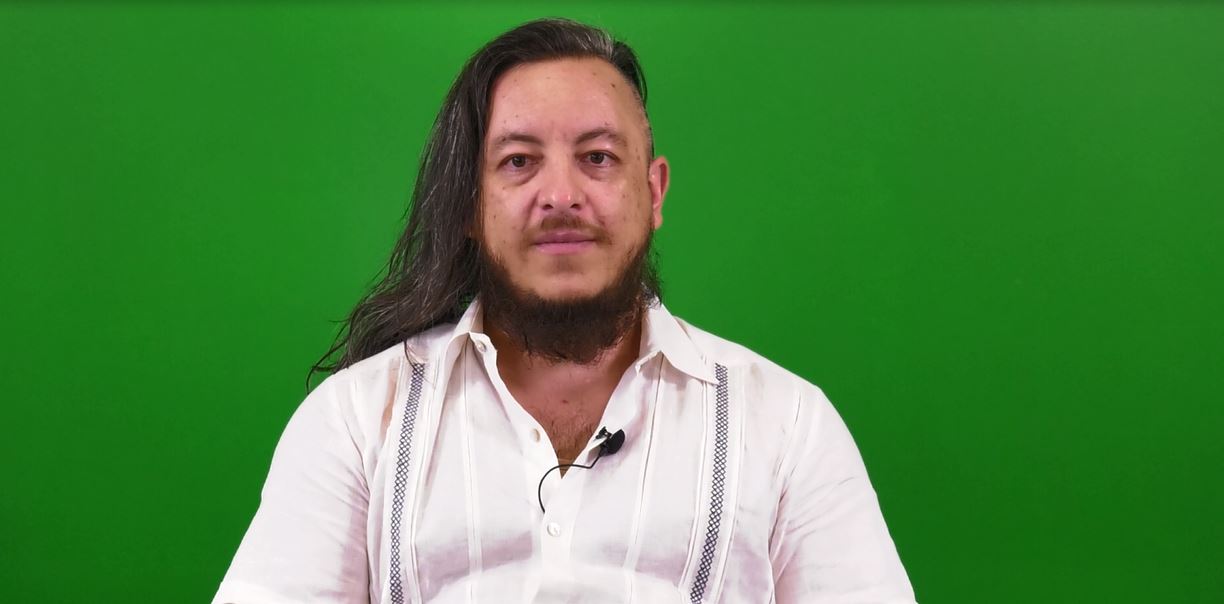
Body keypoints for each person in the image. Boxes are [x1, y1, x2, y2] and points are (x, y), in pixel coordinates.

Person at [213, 17, 917, 604]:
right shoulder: (355, 420)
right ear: (470, 205)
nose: (561, 194)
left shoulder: (787, 426)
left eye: (599, 158)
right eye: (519, 161)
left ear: (654, 191)